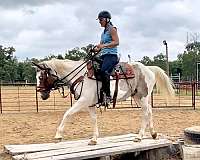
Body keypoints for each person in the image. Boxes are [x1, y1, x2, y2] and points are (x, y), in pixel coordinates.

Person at [95, 10, 119, 104]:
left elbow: (117, 42)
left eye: (101, 19)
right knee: (94, 68)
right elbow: (100, 46)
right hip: (103, 55)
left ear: (107, 19)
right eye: (99, 20)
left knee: (104, 71)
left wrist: (103, 46)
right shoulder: (103, 33)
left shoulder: (112, 29)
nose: (99, 21)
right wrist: (95, 49)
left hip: (111, 56)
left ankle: (108, 96)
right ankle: (99, 93)